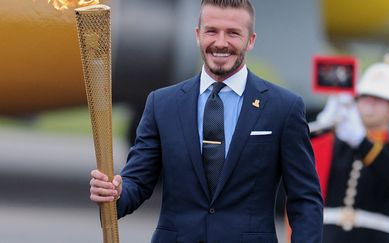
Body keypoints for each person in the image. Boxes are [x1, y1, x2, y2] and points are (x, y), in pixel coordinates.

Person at [89, 0, 323, 242]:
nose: (220, 43)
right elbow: (137, 183)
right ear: (198, 35)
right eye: (212, 31)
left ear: (250, 40)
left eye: (233, 33)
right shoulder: (162, 104)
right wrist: (115, 193)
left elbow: (305, 199)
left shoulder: (283, 108)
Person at [316, 58, 389, 243]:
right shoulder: (336, 143)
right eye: (365, 97)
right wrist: (321, 128)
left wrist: (361, 142)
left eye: (379, 100)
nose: (369, 104)